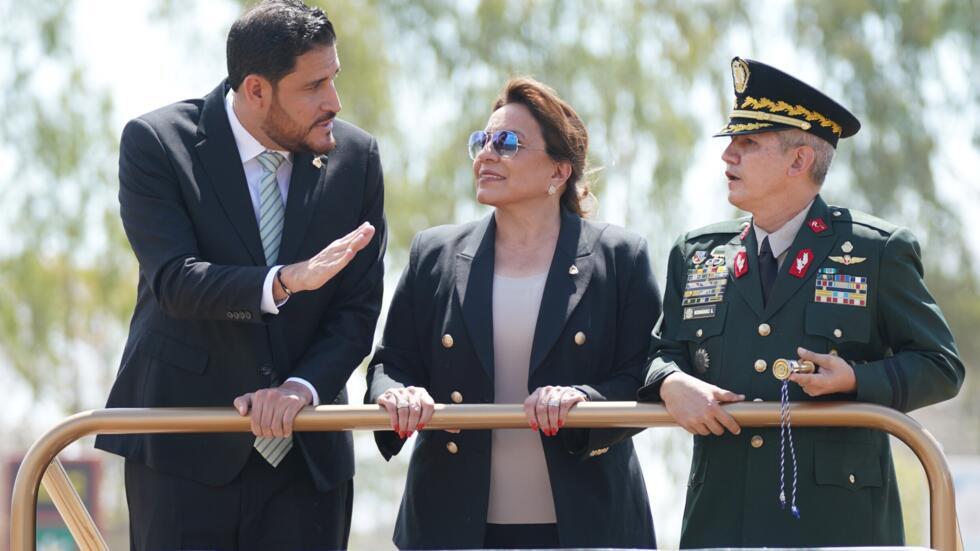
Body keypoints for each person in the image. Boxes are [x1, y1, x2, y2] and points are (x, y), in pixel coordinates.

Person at [638, 56, 964, 548]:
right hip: (722, 518)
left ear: (798, 161)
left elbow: (941, 365)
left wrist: (857, 379)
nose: (728, 156)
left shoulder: (877, 249)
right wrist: (671, 382)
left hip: (835, 523)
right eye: (731, 142)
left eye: (747, 143)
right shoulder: (695, 252)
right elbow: (661, 353)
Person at [94, 1, 386, 548]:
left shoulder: (358, 159)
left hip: (308, 461)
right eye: (314, 85)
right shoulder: (157, 144)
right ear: (256, 90)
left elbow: (357, 310)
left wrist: (302, 389)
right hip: (182, 456)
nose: (334, 101)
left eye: (334, 78)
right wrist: (282, 281)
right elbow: (176, 280)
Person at [366, 77, 659, 549]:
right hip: (450, 526)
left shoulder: (620, 255)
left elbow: (644, 376)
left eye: (507, 143)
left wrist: (584, 398)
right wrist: (397, 395)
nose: (487, 154)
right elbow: (390, 362)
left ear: (558, 172)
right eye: (481, 141)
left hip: (590, 525)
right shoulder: (433, 252)